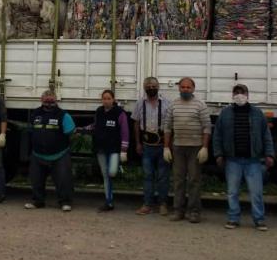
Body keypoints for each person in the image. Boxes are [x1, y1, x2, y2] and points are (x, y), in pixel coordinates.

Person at [213, 84, 275, 231]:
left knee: (256, 192)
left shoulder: (257, 113)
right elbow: (217, 136)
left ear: (248, 95)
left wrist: (269, 154)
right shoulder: (225, 113)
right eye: (236, 92)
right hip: (232, 160)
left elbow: (266, 135)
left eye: (242, 92)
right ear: (232, 95)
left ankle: (259, 219)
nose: (239, 95)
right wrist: (218, 154)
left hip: (253, 161)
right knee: (232, 192)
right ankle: (233, 218)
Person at [163, 77, 211, 224]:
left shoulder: (200, 105)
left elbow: (207, 127)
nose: (185, 89)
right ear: (179, 88)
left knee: (194, 180)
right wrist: (166, 147)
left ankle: (194, 212)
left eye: (188, 87)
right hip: (178, 147)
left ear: (193, 89)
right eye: (182, 87)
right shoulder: (173, 105)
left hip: (195, 148)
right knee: (178, 180)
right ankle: (178, 211)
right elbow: (167, 127)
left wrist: (204, 147)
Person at [25, 90, 76, 212]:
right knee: (36, 180)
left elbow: (71, 132)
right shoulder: (35, 114)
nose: (49, 103)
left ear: (56, 100)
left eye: (51, 100)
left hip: (60, 154)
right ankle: (38, 201)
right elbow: (30, 131)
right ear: (41, 100)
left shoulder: (64, 115)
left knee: (64, 180)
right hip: (38, 154)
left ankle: (65, 202)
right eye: (46, 100)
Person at [81, 90, 129, 212]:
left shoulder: (120, 113)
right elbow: (95, 126)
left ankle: (118, 166)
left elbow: (125, 132)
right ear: (101, 99)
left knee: (111, 172)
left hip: (114, 149)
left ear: (113, 99)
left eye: (109, 98)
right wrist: (81, 129)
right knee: (105, 175)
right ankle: (109, 201)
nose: (106, 101)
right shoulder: (99, 111)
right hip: (100, 148)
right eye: (104, 98)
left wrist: (124, 150)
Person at [133, 77, 172, 216]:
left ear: (158, 86)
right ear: (144, 87)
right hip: (146, 146)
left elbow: (170, 126)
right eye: (148, 85)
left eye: (153, 85)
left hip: (162, 145)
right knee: (147, 176)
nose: (151, 88)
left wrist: (168, 146)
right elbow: (136, 124)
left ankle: (163, 204)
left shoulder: (167, 103)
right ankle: (147, 204)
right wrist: (137, 143)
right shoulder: (139, 103)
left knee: (163, 176)